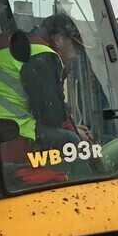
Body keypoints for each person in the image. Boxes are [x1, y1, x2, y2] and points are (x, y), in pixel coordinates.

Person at [21, 14, 91, 148]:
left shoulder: (30, 47)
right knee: (72, 140)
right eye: (76, 45)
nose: (78, 52)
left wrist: (72, 127)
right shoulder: (42, 55)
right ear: (59, 39)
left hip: (12, 124)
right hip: (17, 130)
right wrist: (74, 132)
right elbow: (51, 115)